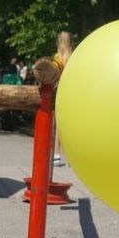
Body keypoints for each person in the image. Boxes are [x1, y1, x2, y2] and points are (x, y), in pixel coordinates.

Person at [53, 31, 73, 166]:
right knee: (70, 125)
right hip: (71, 92)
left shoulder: (57, 57)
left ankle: (56, 154)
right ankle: (71, 157)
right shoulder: (73, 56)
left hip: (59, 91)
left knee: (58, 125)